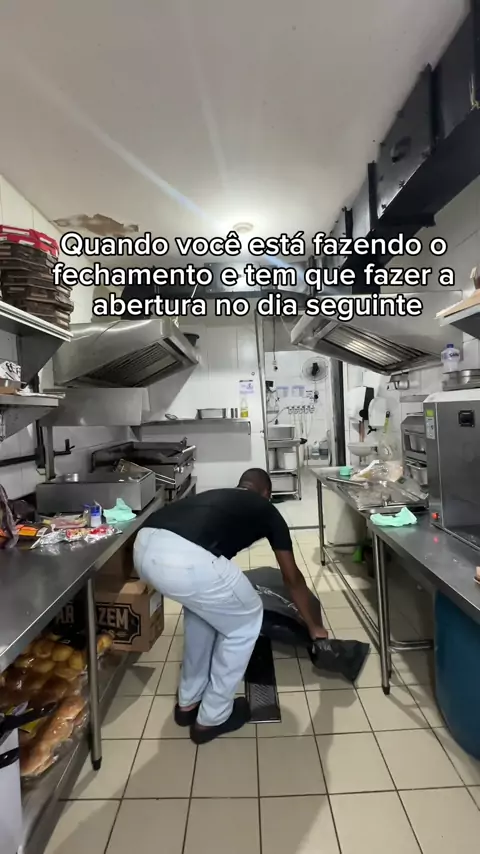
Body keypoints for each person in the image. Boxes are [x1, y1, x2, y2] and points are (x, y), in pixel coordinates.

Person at [133, 468, 327, 744]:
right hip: (185, 559)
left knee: (200, 613)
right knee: (245, 622)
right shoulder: (266, 509)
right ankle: (213, 717)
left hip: (143, 547)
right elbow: (292, 578)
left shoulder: (218, 495)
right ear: (267, 493)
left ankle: (188, 703)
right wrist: (314, 626)